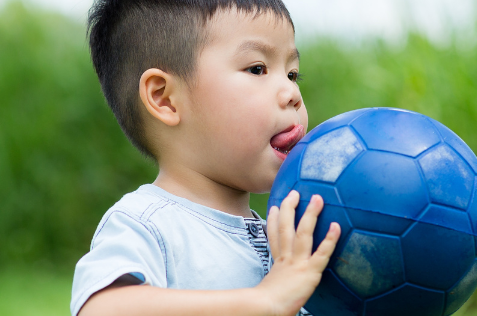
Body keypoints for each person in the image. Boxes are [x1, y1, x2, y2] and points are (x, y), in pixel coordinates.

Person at [70, 1, 341, 315]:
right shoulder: (149, 225)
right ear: (165, 98)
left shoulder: (284, 234)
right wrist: (264, 300)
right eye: (257, 69)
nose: (292, 93)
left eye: (293, 74)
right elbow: (102, 308)